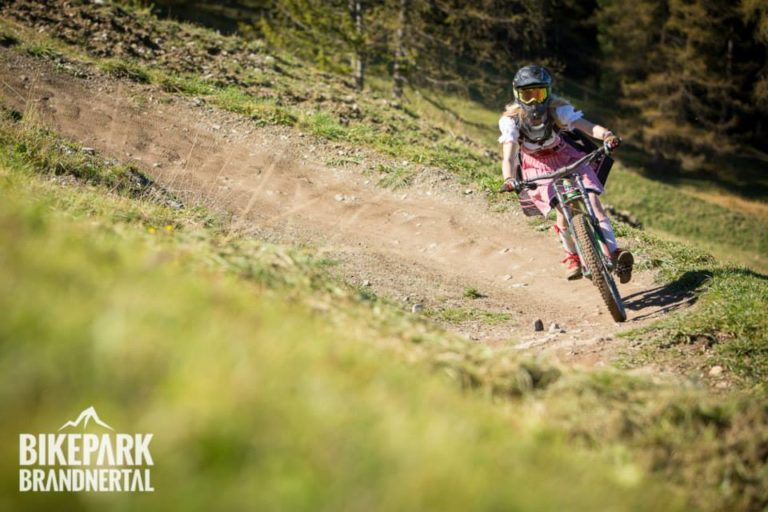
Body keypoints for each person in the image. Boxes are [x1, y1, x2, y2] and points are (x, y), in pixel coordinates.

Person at [498, 64, 634, 282]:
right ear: (517, 94)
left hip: (568, 157)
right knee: (562, 211)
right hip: (538, 167)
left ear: (548, 92)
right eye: (528, 94)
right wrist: (509, 178)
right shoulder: (511, 121)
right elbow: (509, 155)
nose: (534, 101)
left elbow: (586, 126)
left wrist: (607, 136)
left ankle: (615, 252)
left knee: (594, 202)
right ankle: (572, 256)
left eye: (539, 93)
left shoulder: (558, 110)